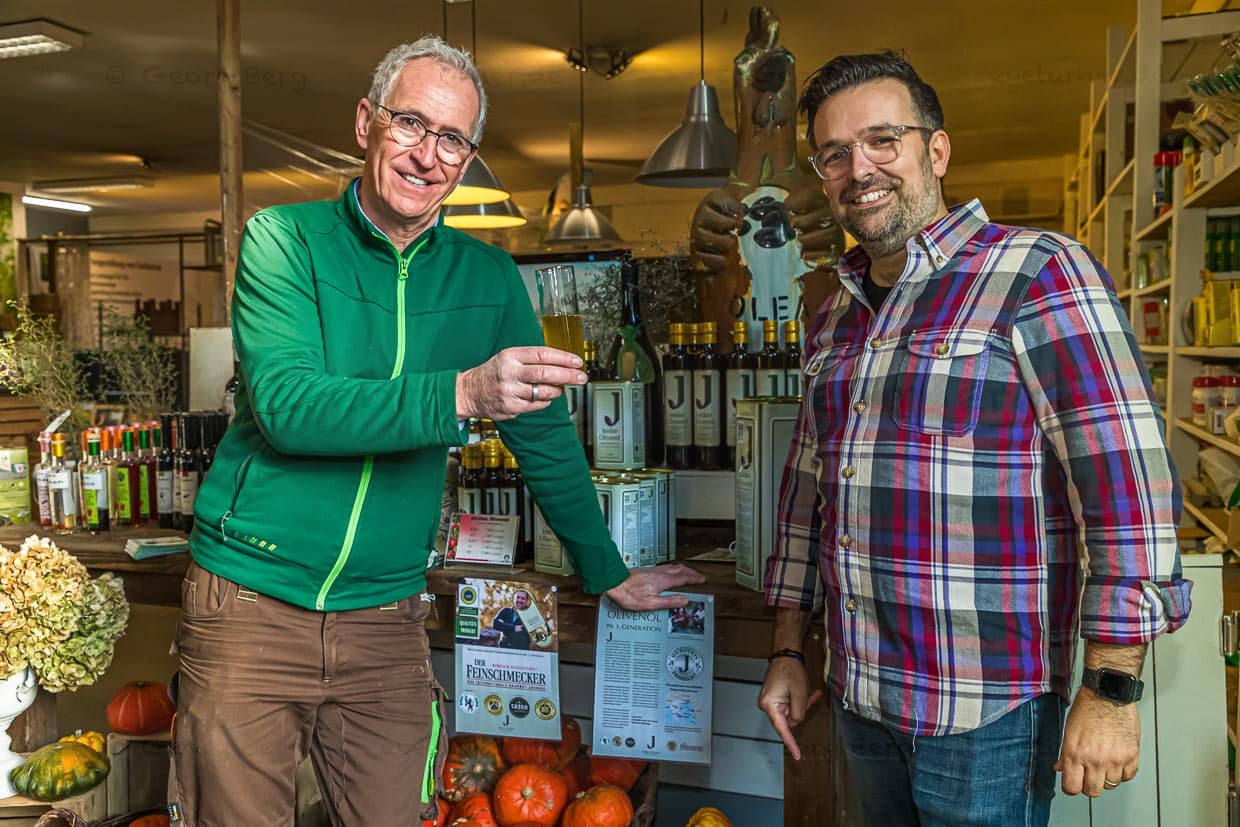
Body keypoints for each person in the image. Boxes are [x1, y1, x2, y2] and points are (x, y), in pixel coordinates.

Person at [173, 36, 704, 827]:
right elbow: (289, 407)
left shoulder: (486, 278)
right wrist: (461, 391)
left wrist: (605, 566)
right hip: (250, 602)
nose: (428, 155)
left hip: (385, 619)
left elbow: (546, 435)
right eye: (411, 124)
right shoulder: (284, 240)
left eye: (452, 138)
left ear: (469, 156)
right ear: (365, 123)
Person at [757, 50, 1191, 827]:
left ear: (937, 150)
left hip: (988, 710)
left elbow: (1129, 494)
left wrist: (1113, 689)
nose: (860, 168)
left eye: (883, 140)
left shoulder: (1041, 273)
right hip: (863, 701)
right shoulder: (831, 311)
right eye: (835, 153)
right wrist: (789, 649)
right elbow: (804, 500)